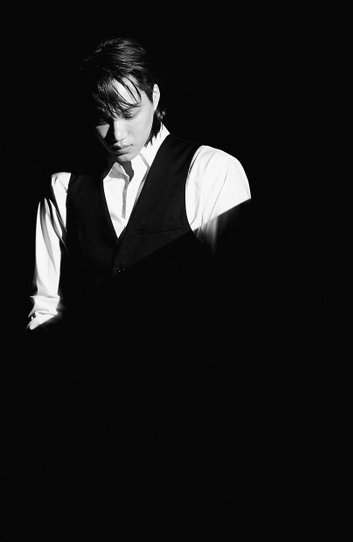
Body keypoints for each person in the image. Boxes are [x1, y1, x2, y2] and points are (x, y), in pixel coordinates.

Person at [25, 36, 252, 451]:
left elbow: (236, 304)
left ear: (155, 97)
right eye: (102, 118)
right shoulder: (64, 187)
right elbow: (45, 307)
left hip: (191, 410)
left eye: (130, 113)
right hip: (90, 415)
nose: (117, 134)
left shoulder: (211, 171)